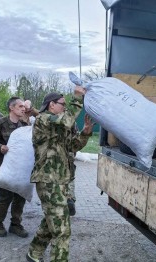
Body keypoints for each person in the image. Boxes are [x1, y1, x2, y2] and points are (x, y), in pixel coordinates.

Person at [26, 87, 94, 262]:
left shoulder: (59, 126)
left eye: (65, 105)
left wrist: (85, 132)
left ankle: (33, 253)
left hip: (61, 180)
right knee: (62, 230)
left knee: (52, 222)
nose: (64, 107)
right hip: (48, 181)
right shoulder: (43, 119)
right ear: (51, 105)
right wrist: (78, 98)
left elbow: (72, 146)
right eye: (62, 104)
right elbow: (67, 120)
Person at [0, 96, 29, 238]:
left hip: (20, 166)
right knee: (6, 196)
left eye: (23, 106)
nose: (23, 109)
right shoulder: (0, 123)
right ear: (12, 108)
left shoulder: (24, 125)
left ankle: (16, 224)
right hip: (4, 166)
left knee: (20, 195)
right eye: (20, 106)